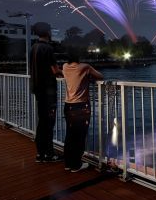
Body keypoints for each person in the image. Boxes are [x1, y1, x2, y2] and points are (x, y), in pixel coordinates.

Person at [62, 47, 103, 172]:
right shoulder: (84, 67)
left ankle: (68, 163)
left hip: (68, 105)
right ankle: (76, 164)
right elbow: (100, 76)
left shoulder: (64, 66)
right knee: (80, 136)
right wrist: (88, 78)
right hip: (81, 106)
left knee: (70, 135)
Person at [29, 22, 62, 163]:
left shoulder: (33, 47)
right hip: (48, 91)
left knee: (42, 122)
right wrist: (66, 72)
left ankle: (40, 153)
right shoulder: (48, 48)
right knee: (49, 123)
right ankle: (49, 154)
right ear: (47, 32)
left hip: (37, 90)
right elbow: (55, 70)